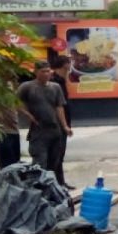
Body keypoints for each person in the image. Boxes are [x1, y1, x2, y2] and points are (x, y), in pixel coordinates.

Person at [16, 60, 72, 183]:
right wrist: (28, 115)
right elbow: (15, 102)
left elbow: (59, 107)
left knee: (54, 163)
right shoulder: (27, 87)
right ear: (36, 72)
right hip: (38, 131)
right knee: (39, 163)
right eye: (43, 71)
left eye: (48, 71)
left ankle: (52, 189)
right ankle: (38, 189)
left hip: (55, 130)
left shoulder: (55, 87)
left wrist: (65, 126)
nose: (46, 74)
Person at [47, 55, 73, 188]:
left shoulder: (62, 80)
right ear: (64, 65)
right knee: (56, 154)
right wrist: (63, 125)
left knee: (60, 154)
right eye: (69, 62)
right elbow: (58, 106)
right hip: (57, 123)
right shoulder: (54, 81)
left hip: (64, 122)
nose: (71, 65)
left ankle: (61, 182)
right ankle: (56, 183)